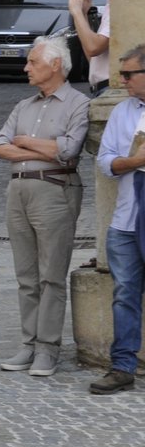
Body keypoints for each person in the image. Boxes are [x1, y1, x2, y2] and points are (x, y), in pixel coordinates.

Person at [0, 37, 89, 378]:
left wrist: (26, 141)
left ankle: (48, 348)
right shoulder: (23, 105)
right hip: (17, 190)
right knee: (26, 276)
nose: (26, 67)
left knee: (51, 275)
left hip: (55, 189)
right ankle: (28, 344)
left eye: (33, 62)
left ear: (55, 65)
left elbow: (70, 149)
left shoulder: (77, 103)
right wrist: (43, 148)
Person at [89, 44, 145, 394]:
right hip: (126, 220)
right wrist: (134, 162)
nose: (122, 80)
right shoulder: (123, 112)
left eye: (128, 74)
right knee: (124, 294)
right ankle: (122, 366)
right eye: (121, 74)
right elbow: (105, 161)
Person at [67, 0, 111, 96]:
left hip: (108, 88)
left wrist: (76, 12)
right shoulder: (111, 4)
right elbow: (94, 59)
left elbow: (93, 48)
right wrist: (83, 14)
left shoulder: (118, 5)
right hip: (101, 87)